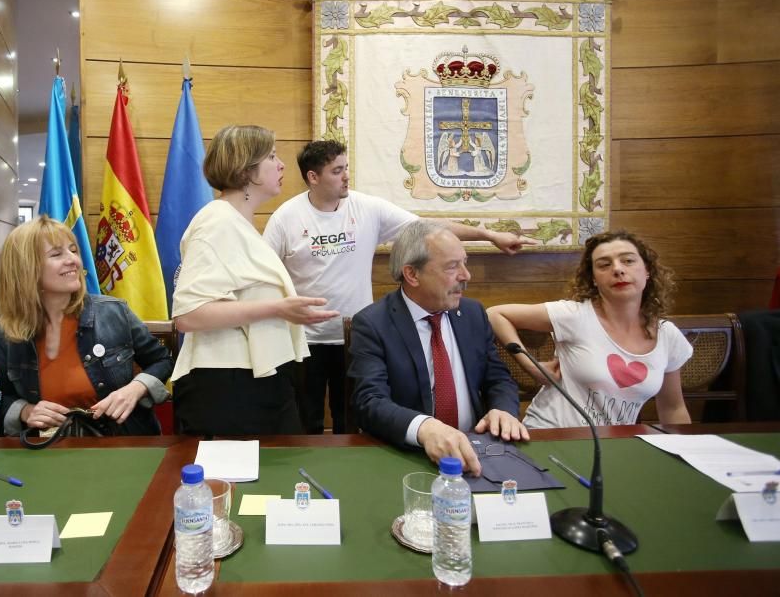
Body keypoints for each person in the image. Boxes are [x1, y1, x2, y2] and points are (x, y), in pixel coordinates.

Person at [263, 140, 532, 434]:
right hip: (305, 341)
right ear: (313, 177)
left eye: (346, 168)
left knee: (349, 420)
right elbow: (263, 273)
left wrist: (488, 234)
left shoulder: (367, 208)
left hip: (356, 337)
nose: (346, 176)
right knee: (307, 420)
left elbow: (428, 231)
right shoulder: (286, 218)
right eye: (337, 170)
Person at [171, 125, 340, 436]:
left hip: (254, 378)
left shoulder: (239, 223)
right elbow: (188, 314)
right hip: (229, 385)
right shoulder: (217, 222)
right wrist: (278, 309)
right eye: (272, 157)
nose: (282, 165)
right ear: (247, 169)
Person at [348, 220, 527, 475]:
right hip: (410, 458)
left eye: (464, 263)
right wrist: (425, 428)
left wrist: (503, 410)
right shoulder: (373, 324)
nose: (466, 275)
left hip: (477, 450)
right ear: (412, 274)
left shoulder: (473, 313)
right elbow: (370, 401)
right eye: (453, 266)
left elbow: (497, 377)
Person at [487, 230, 693, 428]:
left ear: (647, 270)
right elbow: (495, 314)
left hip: (615, 445)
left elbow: (673, 408)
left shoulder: (667, 334)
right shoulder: (574, 315)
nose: (618, 269)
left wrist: (686, 452)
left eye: (628, 261)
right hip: (552, 433)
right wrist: (531, 367)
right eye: (604, 265)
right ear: (594, 279)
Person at [0, 216, 172, 437]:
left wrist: (135, 389)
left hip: (122, 440)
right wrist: (25, 411)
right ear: (25, 269)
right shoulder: (7, 331)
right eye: (57, 254)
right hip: (48, 448)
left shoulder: (114, 312)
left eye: (73, 251)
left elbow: (162, 360)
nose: (74, 261)